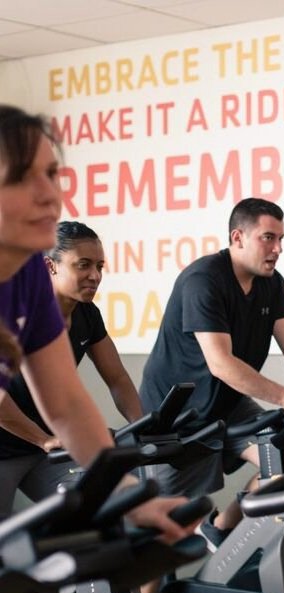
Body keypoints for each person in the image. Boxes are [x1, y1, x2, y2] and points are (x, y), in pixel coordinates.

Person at [0, 103, 190, 541]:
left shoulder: (28, 274)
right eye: (27, 176)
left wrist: (131, 496)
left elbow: (66, 402)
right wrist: (41, 438)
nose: (50, 194)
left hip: (36, 452)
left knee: (53, 573)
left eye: (53, 175)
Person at [139, 196, 284, 546]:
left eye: (281, 239)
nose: (277, 248)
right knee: (159, 538)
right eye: (268, 238)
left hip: (227, 404)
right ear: (237, 238)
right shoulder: (203, 279)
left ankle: (220, 527)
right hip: (175, 416)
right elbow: (220, 362)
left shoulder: (272, 283)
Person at [0, 220, 144, 520]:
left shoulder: (86, 314)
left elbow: (116, 377)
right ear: (50, 266)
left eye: (100, 266)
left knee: (97, 511)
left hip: (45, 450)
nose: (95, 276)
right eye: (83, 265)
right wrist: (43, 438)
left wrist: (142, 425)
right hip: (12, 445)